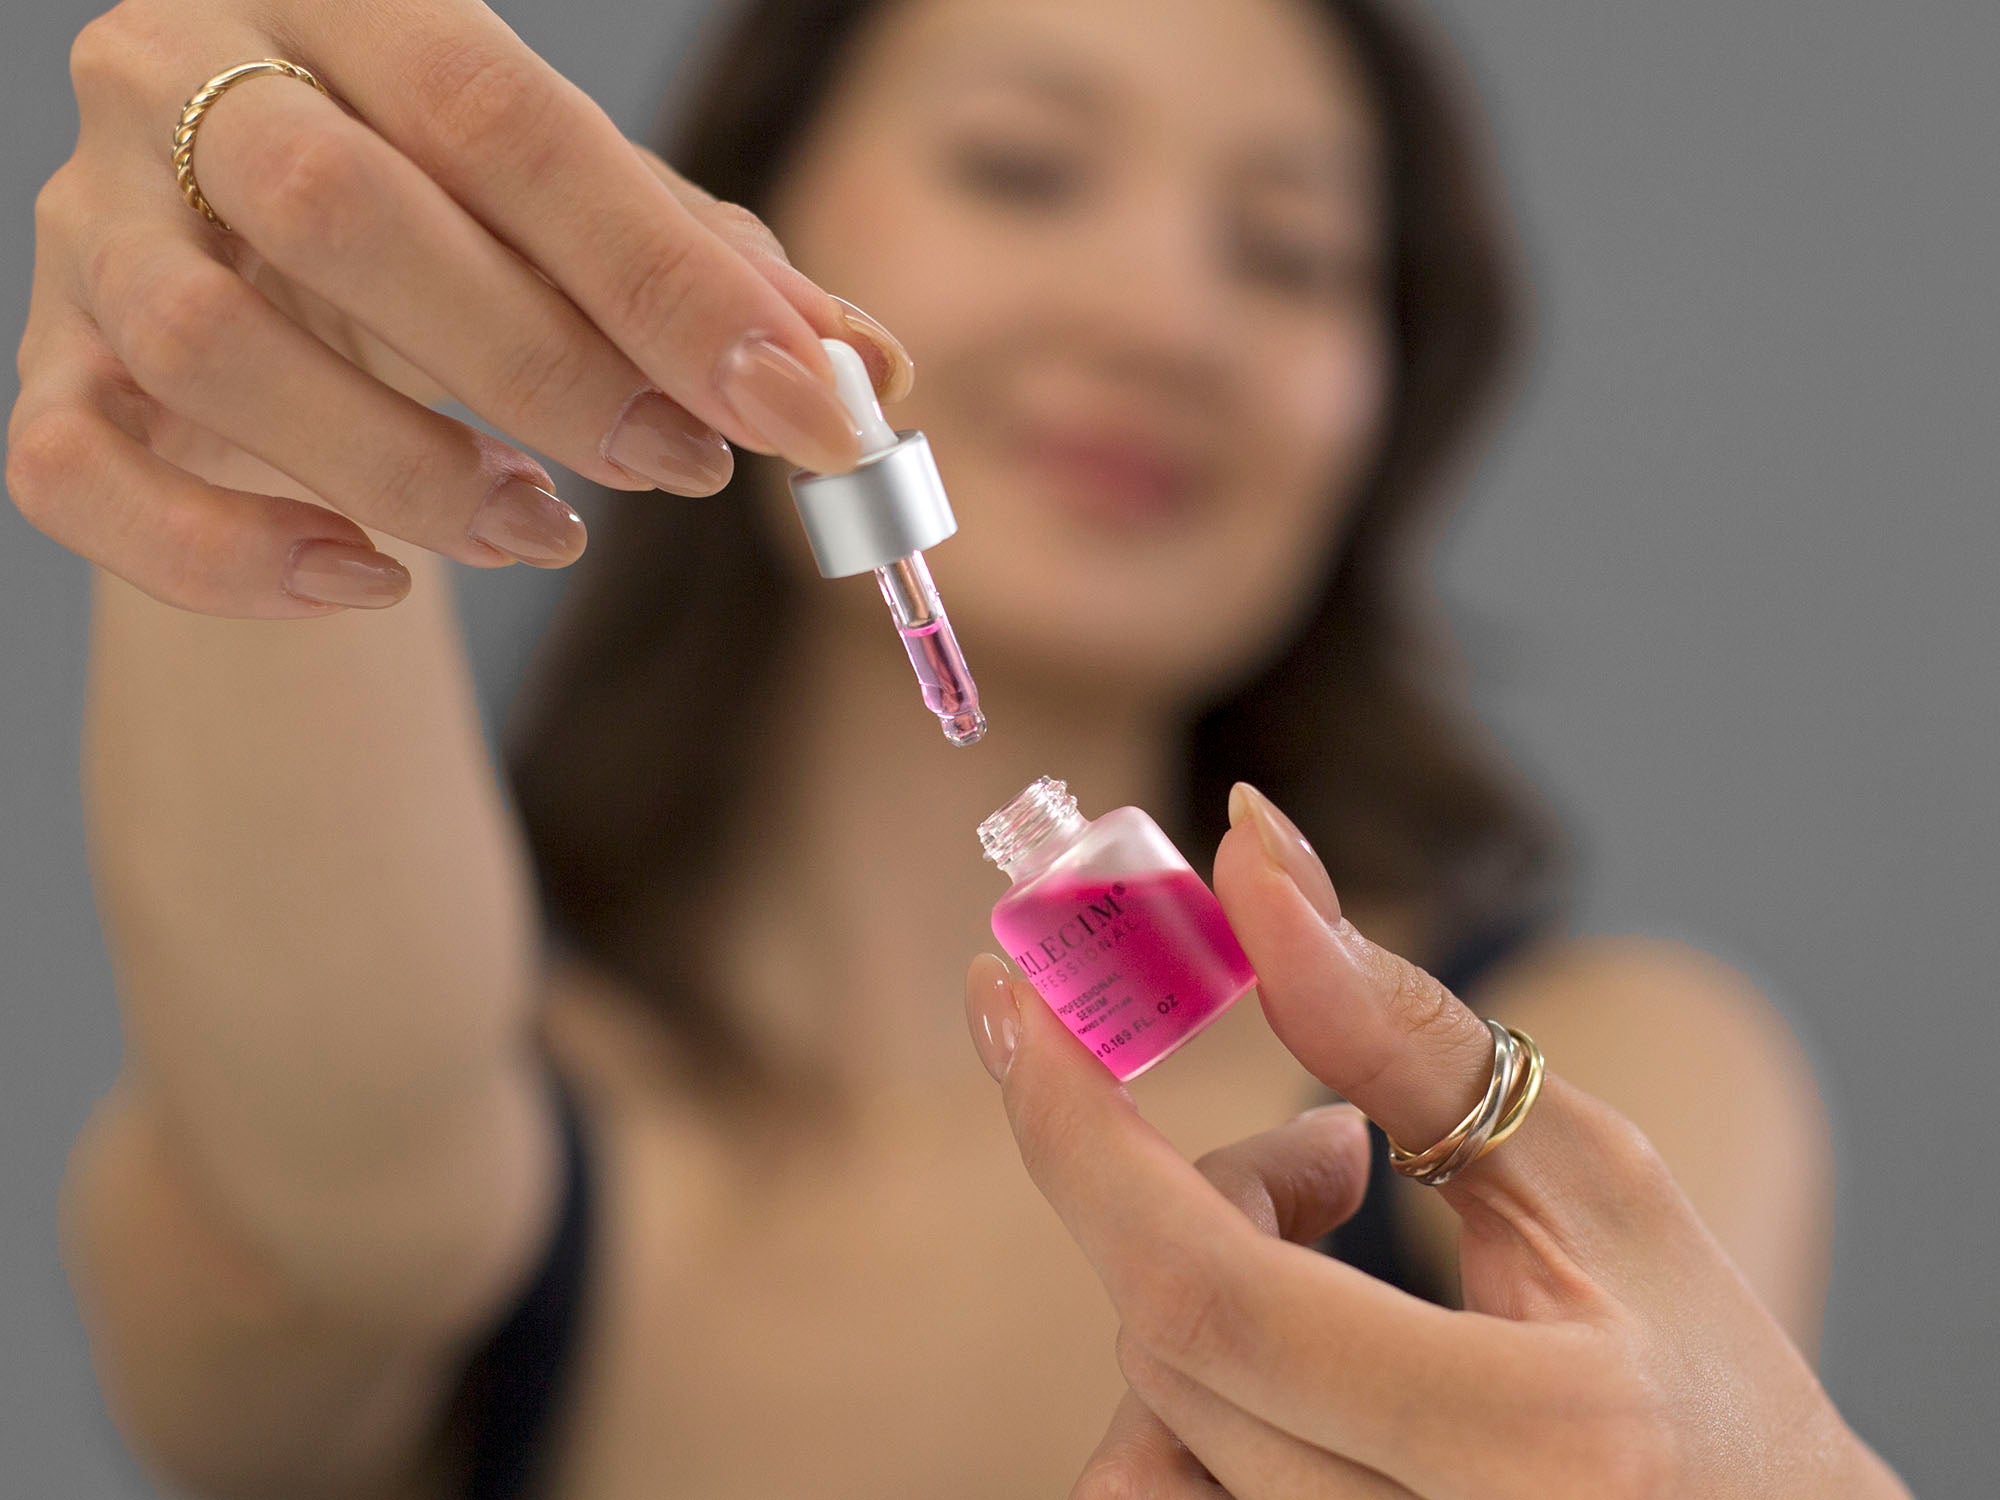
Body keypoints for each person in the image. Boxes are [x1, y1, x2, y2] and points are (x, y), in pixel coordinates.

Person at [6, 0, 1893, 1494]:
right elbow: (327, 1142)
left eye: (1294, 252)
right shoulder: (469, 1183)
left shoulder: (1590, 1103)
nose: (1167, 315)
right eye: (1022, 165)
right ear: (731, 232)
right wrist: (265, 341)